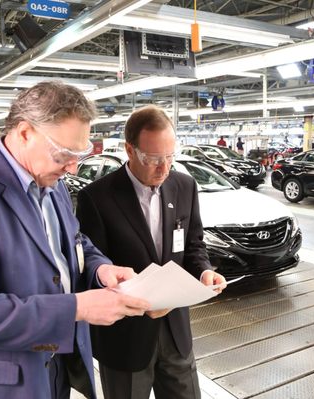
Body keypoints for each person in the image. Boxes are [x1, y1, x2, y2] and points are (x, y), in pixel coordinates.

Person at [0, 81, 150, 399]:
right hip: (1, 384)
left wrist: (100, 270)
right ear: (25, 132)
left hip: (55, 371)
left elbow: (73, 240)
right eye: (63, 153)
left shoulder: (51, 184)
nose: (72, 167)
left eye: (79, 154)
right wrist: (75, 308)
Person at [76, 105, 226, 399]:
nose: (164, 168)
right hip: (125, 339)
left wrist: (205, 271)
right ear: (130, 150)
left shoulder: (185, 186)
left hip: (176, 333)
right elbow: (91, 266)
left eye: (170, 157)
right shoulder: (97, 198)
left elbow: (193, 244)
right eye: (154, 159)